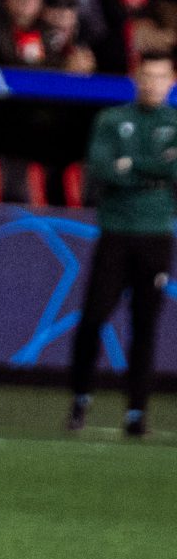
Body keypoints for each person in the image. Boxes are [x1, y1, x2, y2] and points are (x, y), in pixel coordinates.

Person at [67, 49, 177, 437]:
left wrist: (132, 166)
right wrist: (155, 171)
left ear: (171, 81)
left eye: (161, 76)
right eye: (147, 76)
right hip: (115, 233)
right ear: (136, 78)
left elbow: (172, 170)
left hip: (156, 236)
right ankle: (80, 398)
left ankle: (136, 414)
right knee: (93, 318)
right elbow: (101, 168)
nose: (153, 84)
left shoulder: (174, 122)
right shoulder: (112, 119)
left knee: (145, 326)